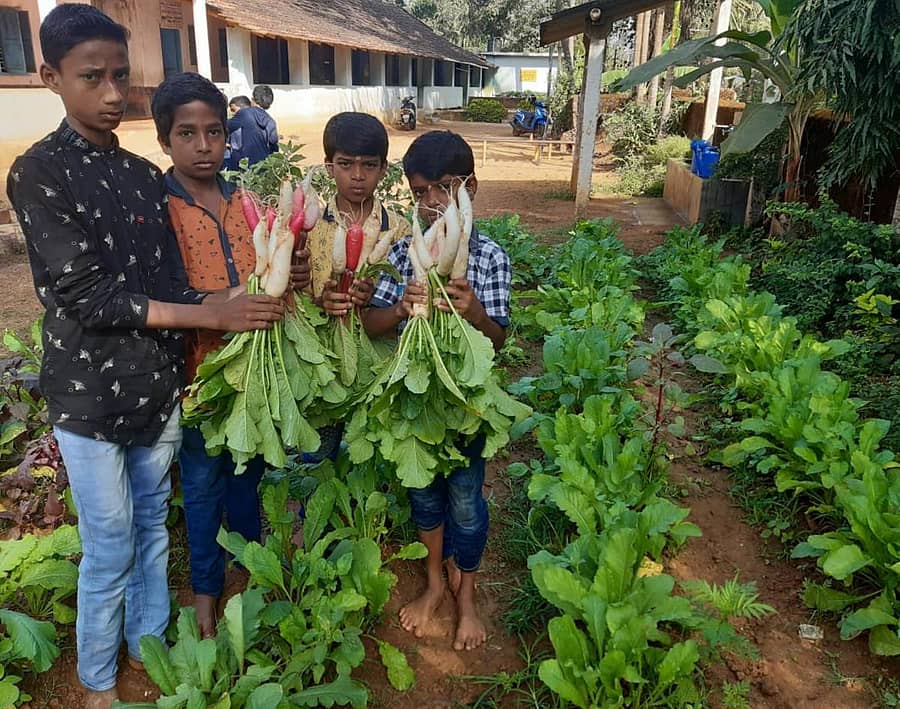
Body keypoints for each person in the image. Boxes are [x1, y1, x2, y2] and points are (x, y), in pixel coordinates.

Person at [5, 8, 283, 708]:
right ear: (51, 77)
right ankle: (99, 678)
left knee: (153, 526)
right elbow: (85, 295)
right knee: (109, 541)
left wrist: (245, 294)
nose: (109, 93)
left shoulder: (139, 175)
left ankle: (149, 648)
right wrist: (211, 311)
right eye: (91, 77)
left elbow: (166, 282)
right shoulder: (37, 172)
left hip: (154, 384)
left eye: (119, 77)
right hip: (88, 395)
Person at [151, 72, 311, 639]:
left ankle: (252, 571)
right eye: (187, 134)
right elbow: (162, 291)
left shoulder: (245, 202)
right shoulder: (157, 208)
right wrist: (222, 304)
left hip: (256, 375)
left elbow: (272, 276)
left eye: (214, 132)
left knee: (250, 476)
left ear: (228, 135)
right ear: (164, 140)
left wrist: (290, 272)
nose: (203, 146)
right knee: (201, 486)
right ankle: (205, 593)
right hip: (197, 375)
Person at [362, 130, 511, 651]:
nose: (429, 204)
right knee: (424, 496)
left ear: (470, 187)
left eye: (442, 190)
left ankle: (466, 593)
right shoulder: (407, 255)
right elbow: (372, 324)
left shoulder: (487, 255)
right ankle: (432, 584)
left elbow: (498, 339)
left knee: (467, 501)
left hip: (466, 401)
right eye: (419, 193)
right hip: (414, 402)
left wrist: (473, 313)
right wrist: (401, 307)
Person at [303, 112, 408, 462]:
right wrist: (321, 301)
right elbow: (296, 294)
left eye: (369, 165)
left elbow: (408, 296)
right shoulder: (310, 227)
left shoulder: (401, 230)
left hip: (381, 359)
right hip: (320, 360)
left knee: (377, 448)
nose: (358, 176)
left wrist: (370, 300)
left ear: (383, 169)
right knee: (318, 455)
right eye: (346, 164)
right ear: (329, 167)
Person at [223, 86, 277, 170]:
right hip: (263, 167)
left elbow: (224, 126)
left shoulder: (245, 114)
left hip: (245, 167)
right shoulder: (271, 121)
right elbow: (274, 145)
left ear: (252, 100)